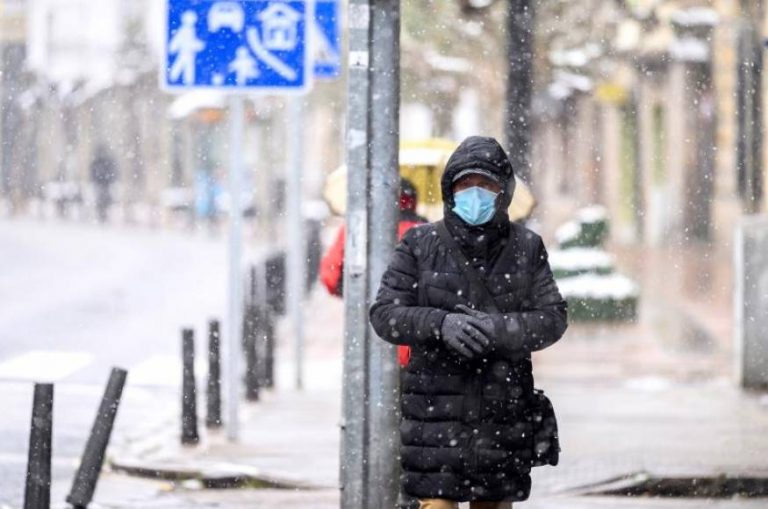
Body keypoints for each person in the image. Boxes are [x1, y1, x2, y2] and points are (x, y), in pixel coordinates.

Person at [370, 136, 568, 508]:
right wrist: (440, 325)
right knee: (436, 504)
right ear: (450, 189)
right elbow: (385, 314)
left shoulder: (526, 247)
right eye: (465, 184)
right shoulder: (419, 244)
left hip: (501, 417)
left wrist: (497, 331)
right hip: (433, 417)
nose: (474, 193)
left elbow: (552, 318)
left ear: (503, 191)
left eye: (486, 184)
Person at [320, 177, 427, 366]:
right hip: (416, 344)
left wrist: (355, 291)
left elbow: (330, 276)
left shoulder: (357, 230)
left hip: (366, 338)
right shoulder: (427, 233)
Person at [90, 144, 118, 223]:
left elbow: (93, 171)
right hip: (103, 183)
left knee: (102, 199)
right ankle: (102, 213)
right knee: (102, 198)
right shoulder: (101, 161)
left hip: (103, 183)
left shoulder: (99, 161)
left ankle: (103, 212)